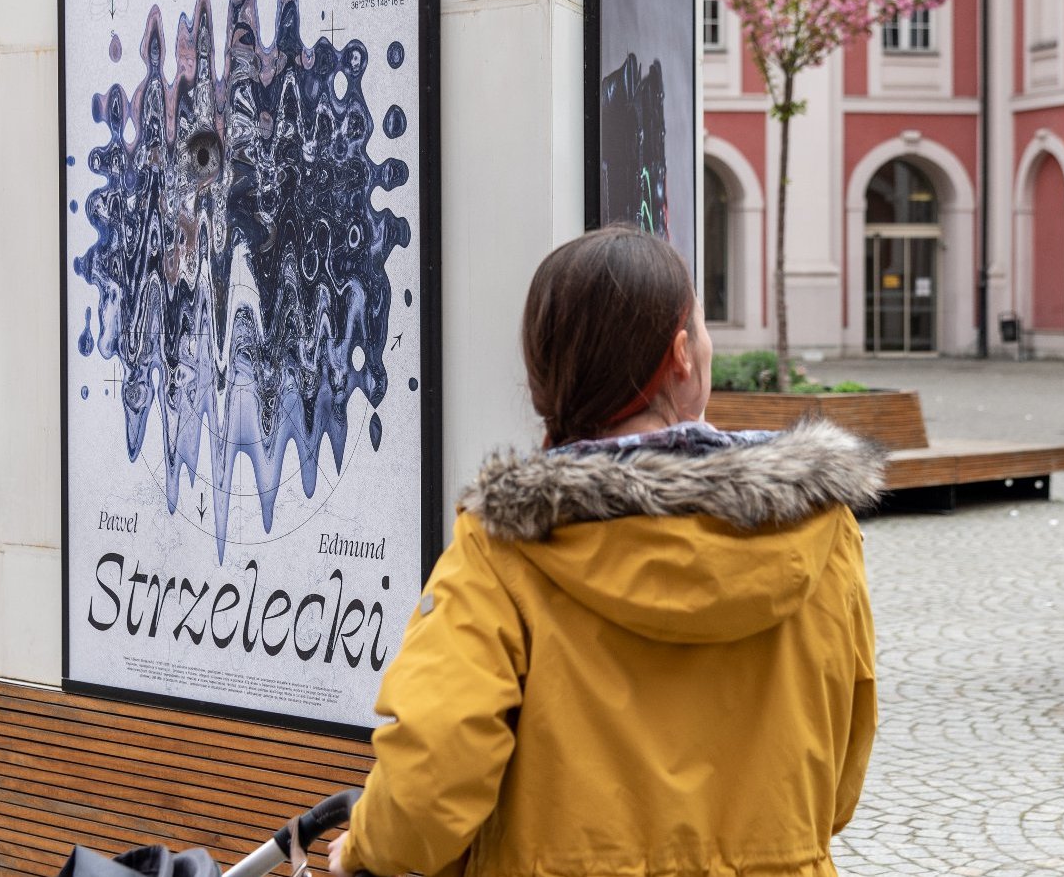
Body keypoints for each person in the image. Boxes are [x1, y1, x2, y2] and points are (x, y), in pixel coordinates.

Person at [330, 227, 883, 877]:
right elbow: (842, 771)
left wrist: (365, 849)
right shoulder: (820, 528)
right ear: (680, 355)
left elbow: (433, 774)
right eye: (701, 329)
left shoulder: (506, 546)